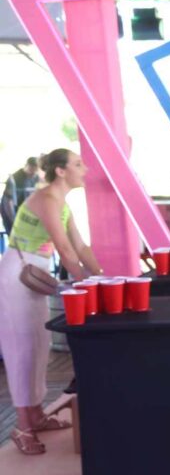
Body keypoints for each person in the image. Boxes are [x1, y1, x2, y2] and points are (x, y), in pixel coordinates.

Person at [0, 149, 102, 455]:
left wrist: (102, 276)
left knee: (39, 345)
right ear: (60, 171)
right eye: (77, 164)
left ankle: (36, 415)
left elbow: (80, 247)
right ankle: (22, 426)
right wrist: (87, 283)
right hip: (17, 277)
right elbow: (65, 250)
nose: (84, 169)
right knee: (21, 350)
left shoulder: (62, 203)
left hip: (34, 276)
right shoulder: (46, 199)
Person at [1, 156, 41, 236]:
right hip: (9, 209)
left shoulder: (36, 177)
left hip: (24, 209)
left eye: (35, 171)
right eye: (31, 170)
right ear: (26, 166)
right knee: (14, 234)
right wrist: (13, 220)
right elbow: (8, 202)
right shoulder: (14, 178)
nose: (33, 173)